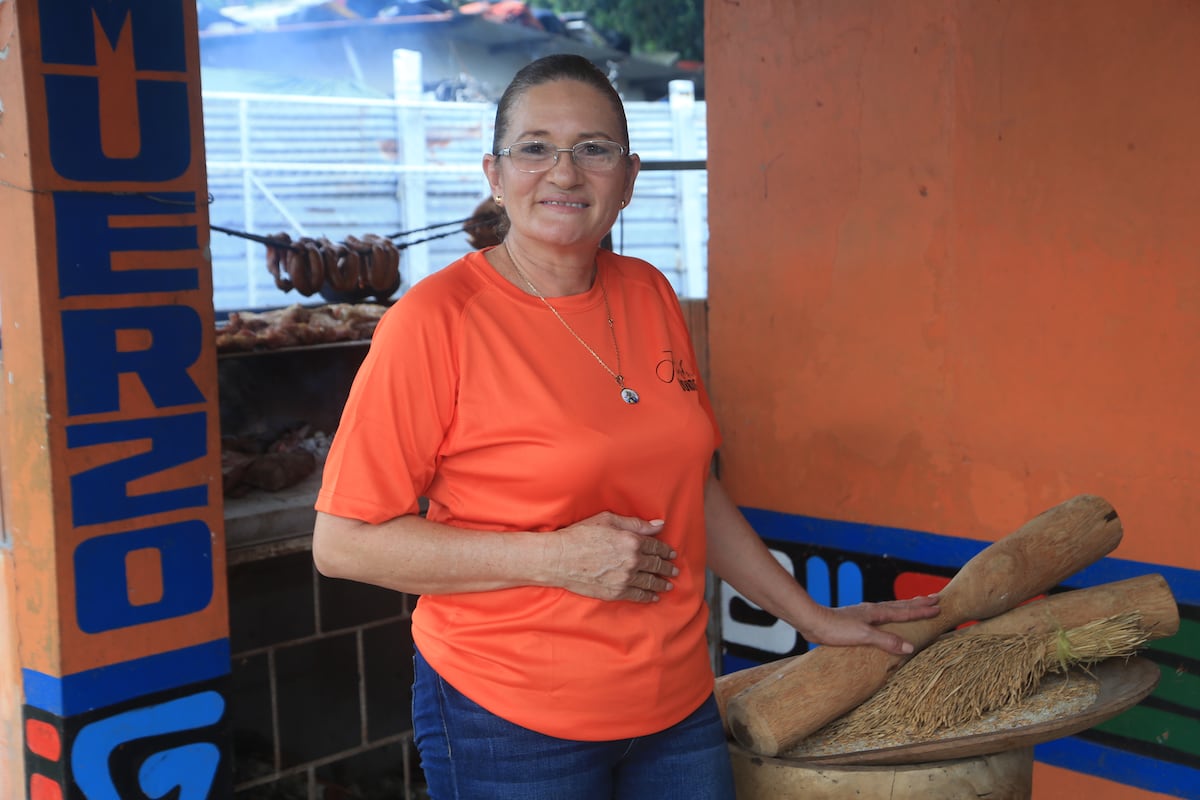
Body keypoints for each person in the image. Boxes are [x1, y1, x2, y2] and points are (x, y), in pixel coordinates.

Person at [312, 54, 940, 800]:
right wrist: (555, 559)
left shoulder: (648, 292)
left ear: (630, 177)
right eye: (535, 147)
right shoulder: (435, 321)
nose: (564, 172)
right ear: (494, 174)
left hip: (676, 706)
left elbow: (691, 491)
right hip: (510, 717)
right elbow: (343, 543)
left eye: (594, 149)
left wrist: (812, 617)